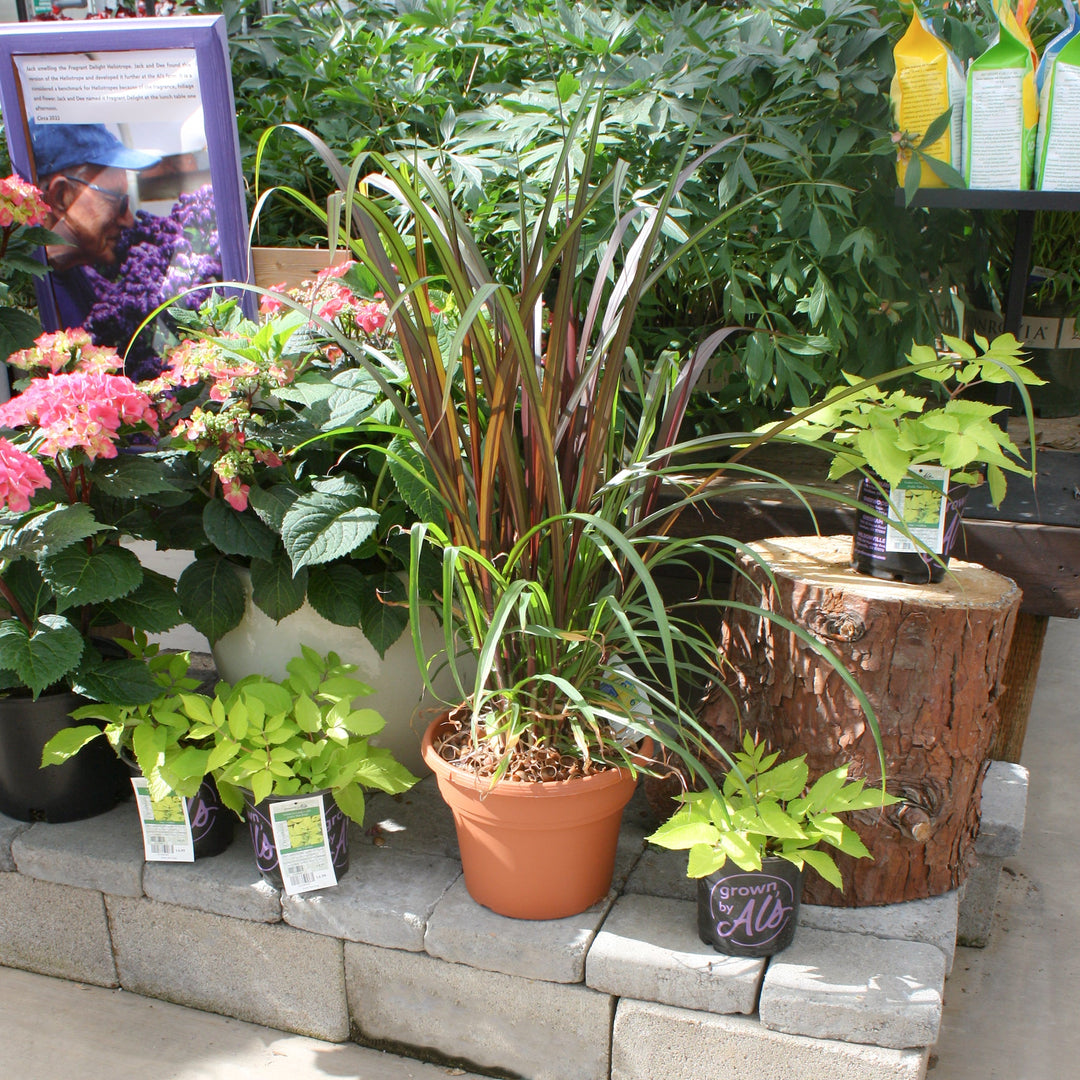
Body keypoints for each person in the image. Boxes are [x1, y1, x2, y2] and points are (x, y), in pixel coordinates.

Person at [28, 122, 161, 328]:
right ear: (61, 196)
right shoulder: (24, 297)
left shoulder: (74, 276)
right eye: (116, 201)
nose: (128, 220)